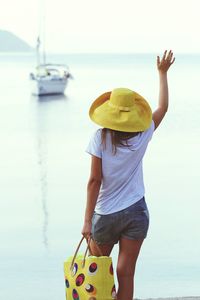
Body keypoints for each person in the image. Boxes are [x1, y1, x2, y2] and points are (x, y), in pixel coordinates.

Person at [81, 50, 175, 300]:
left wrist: (87, 221)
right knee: (126, 273)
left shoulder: (100, 138)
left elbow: (94, 181)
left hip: (105, 215)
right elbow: (163, 107)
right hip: (136, 212)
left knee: (97, 274)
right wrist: (162, 74)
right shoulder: (143, 134)